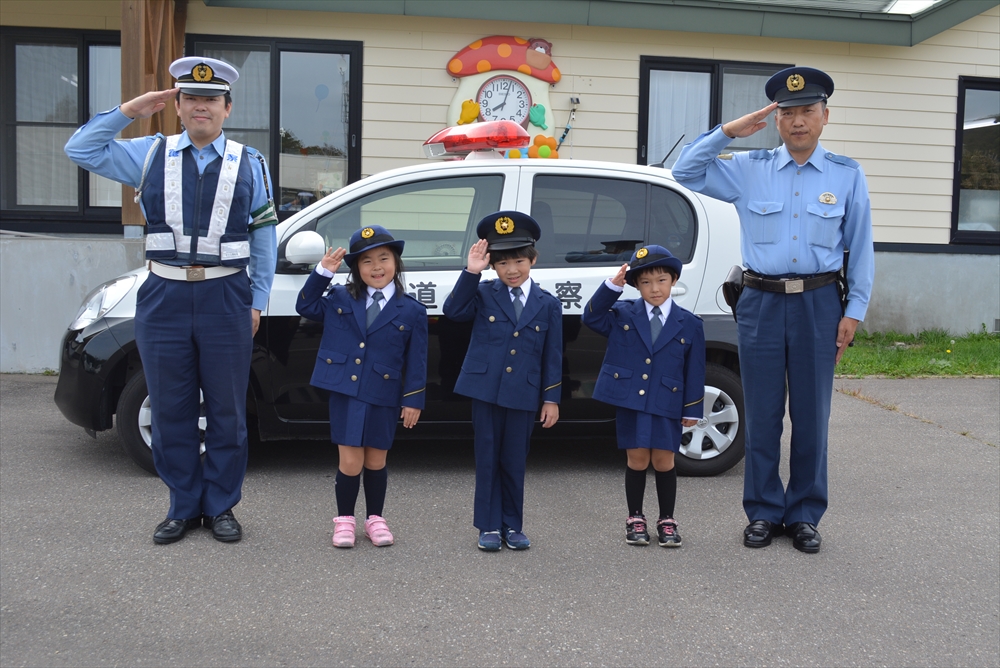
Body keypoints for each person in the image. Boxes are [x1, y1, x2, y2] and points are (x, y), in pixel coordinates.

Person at [64, 57, 278, 545]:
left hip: (227, 294)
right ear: (177, 107)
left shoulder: (250, 162)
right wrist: (130, 110)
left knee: (226, 409)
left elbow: (264, 234)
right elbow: (81, 148)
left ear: (227, 108)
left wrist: (258, 300)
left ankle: (221, 506)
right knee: (170, 407)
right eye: (191, 98)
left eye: (211, 100)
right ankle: (183, 506)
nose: (201, 106)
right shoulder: (148, 153)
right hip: (164, 294)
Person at [671, 66, 875, 554]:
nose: (798, 121)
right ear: (776, 119)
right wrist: (726, 132)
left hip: (820, 302)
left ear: (825, 116)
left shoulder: (847, 175)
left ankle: (804, 514)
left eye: (808, 111)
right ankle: (763, 512)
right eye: (788, 113)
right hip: (760, 302)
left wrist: (854, 312)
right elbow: (684, 172)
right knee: (762, 414)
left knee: (811, 417)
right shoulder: (748, 168)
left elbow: (861, 247)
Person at [295, 225, 428, 548]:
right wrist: (323, 273)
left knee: (376, 461)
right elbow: (305, 306)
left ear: (396, 263)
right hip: (345, 391)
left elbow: (417, 360)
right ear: (356, 269)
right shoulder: (340, 297)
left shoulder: (411, 309)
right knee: (350, 461)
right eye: (367, 262)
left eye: (384, 258)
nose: (377, 267)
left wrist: (414, 400)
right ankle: (344, 521)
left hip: (384, 392)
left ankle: (375, 520)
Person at [442, 211, 562, 551]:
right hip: (484, 390)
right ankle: (488, 526)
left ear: (533, 260)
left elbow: (552, 356)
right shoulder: (482, 294)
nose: (512, 270)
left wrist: (551, 399)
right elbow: (453, 312)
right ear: (493, 265)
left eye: (519, 261)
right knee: (487, 457)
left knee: (513, 460)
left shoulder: (548, 304)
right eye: (503, 262)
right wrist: (471, 272)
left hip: (524, 393)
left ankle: (513, 525)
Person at [582, 246, 705, 547]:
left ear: (673, 280)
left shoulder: (690, 323)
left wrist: (693, 408)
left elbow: (695, 370)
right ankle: (635, 517)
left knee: (664, 461)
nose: (655, 288)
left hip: (667, 401)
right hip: (631, 401)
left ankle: (667, 520)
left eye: (662, 280)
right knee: (637, 460)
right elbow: (591, 316)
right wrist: (613, 286)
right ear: (636, 285)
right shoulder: (623, 313)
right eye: (646, 282)